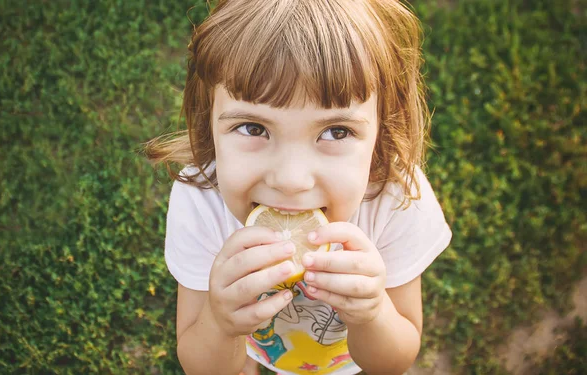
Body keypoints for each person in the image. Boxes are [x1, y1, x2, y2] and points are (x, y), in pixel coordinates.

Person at [145, 0, 452, 374]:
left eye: (336, 131)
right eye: (253, 128)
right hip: (253, 352)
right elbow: (202, 365)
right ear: (207, 119)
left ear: (382, 128)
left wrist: (372, 314)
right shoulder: (201, 203)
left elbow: (392, 361)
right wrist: (221, 324)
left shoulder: (395, 202)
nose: (290, 181)